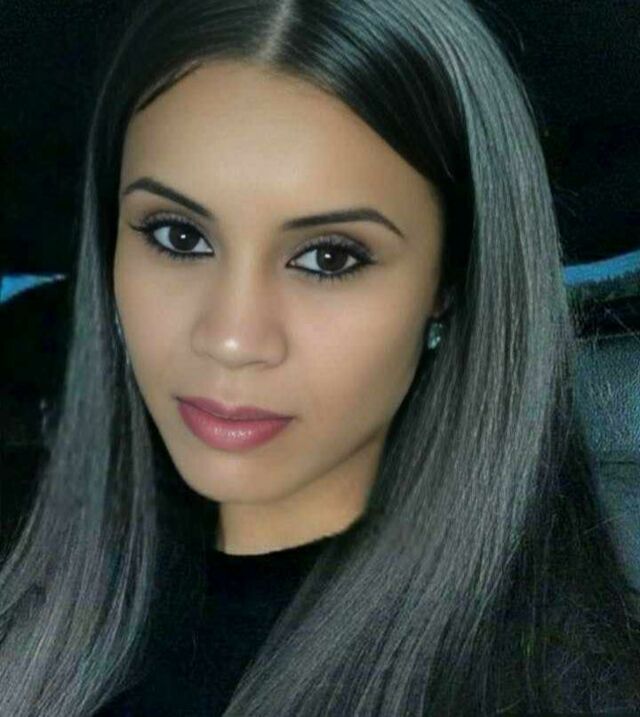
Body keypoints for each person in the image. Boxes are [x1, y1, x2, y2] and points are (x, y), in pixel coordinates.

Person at [1, 0, 639, 714]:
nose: (233, 337)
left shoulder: (545, 686)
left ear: (449, 282)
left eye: (329, 257)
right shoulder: (33, 598)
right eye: (179, 237)